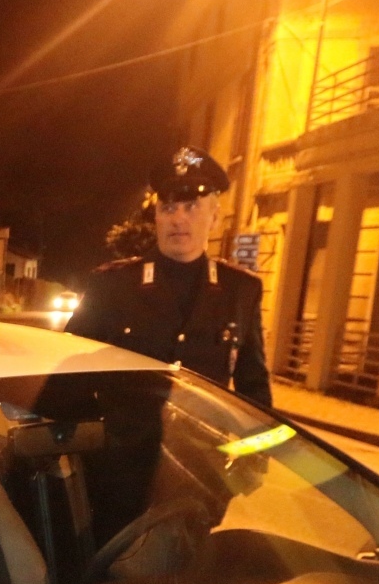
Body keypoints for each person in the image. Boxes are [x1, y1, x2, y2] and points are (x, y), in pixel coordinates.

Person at [66, 147, 272, 408]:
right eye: (169, 208)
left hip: (203, 447)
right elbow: (71, 374)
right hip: (126, 446)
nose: (178, 219)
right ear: (157, 217)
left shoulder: (241, 290)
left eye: (191, 207)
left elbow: (254, 393)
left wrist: (257, 449)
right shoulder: (111, 285)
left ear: (215, 217)